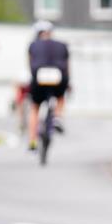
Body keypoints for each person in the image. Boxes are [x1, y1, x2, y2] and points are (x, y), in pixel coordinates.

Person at [26, 20, 70, 151]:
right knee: (60, 97)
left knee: (35, 108)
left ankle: (32, 140)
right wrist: (68, 83)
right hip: (58, 77)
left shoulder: (33, 45)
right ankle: (57, 117)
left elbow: (30, 65)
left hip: (39, 77)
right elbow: (67, 66)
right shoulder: (62, 45)